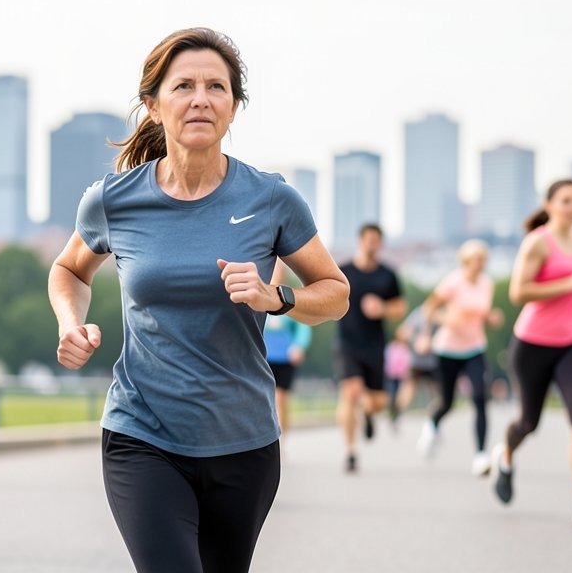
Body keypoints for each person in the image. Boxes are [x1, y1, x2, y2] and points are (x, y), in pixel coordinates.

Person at [47, 28, 348, 572]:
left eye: (216, 87)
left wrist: (274, 297)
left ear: (234, 107)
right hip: (142, 434)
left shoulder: (271, 198)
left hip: (243, 442)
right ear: (154, 105)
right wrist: (72, 321)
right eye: (183, 85)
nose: (201, 98)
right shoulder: (114, 200)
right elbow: (69, 268)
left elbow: (336, 294)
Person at [492, 179, 572, 527]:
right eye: (566, 200)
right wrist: (570, 284)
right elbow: (518, 292)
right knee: (528, 422)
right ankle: (507, 456)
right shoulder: (538, 243)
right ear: (549, 204)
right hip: (532, 344)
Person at [415, 239, 503, 476]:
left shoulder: (487, 284)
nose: (481, 265)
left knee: (480, 396)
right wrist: (433, 329)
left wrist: (491, 317)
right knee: (447, 402)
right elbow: (429, 310)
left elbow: (481, 311)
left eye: (484, 260)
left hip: (474, 347)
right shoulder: (453, 281)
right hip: (448, 349)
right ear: (466, 261)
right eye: (477, 260)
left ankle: (481, 456)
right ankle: (431, 425)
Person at [336, 224, 406, 473]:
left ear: (381, 244)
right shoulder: (343, 272)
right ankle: (350, 451)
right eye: (368, 240)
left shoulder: (387, 275)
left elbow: (400, 307)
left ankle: (368, 412)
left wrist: (383, 309)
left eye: (377, 241)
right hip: (347, 343)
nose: (372, 245)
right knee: (351, 391)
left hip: (375, 345)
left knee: (379, 401)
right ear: (359, 240)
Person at [264, 260, 313, 441]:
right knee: (263, 399)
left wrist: (299, 346)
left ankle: (281, 439)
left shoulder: (290, 296)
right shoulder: (257, 291)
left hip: (284, 356)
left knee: (281, 398)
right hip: (263, 356)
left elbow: (303, 326)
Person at [391, 304, 439, 426]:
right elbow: (402, 332)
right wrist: (414, 339)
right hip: (417, 361)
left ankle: (435, 418)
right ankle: (396, 411)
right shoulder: (417, 315)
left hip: (433, 361)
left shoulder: (439, 316)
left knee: (438, 393)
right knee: (409, 389)